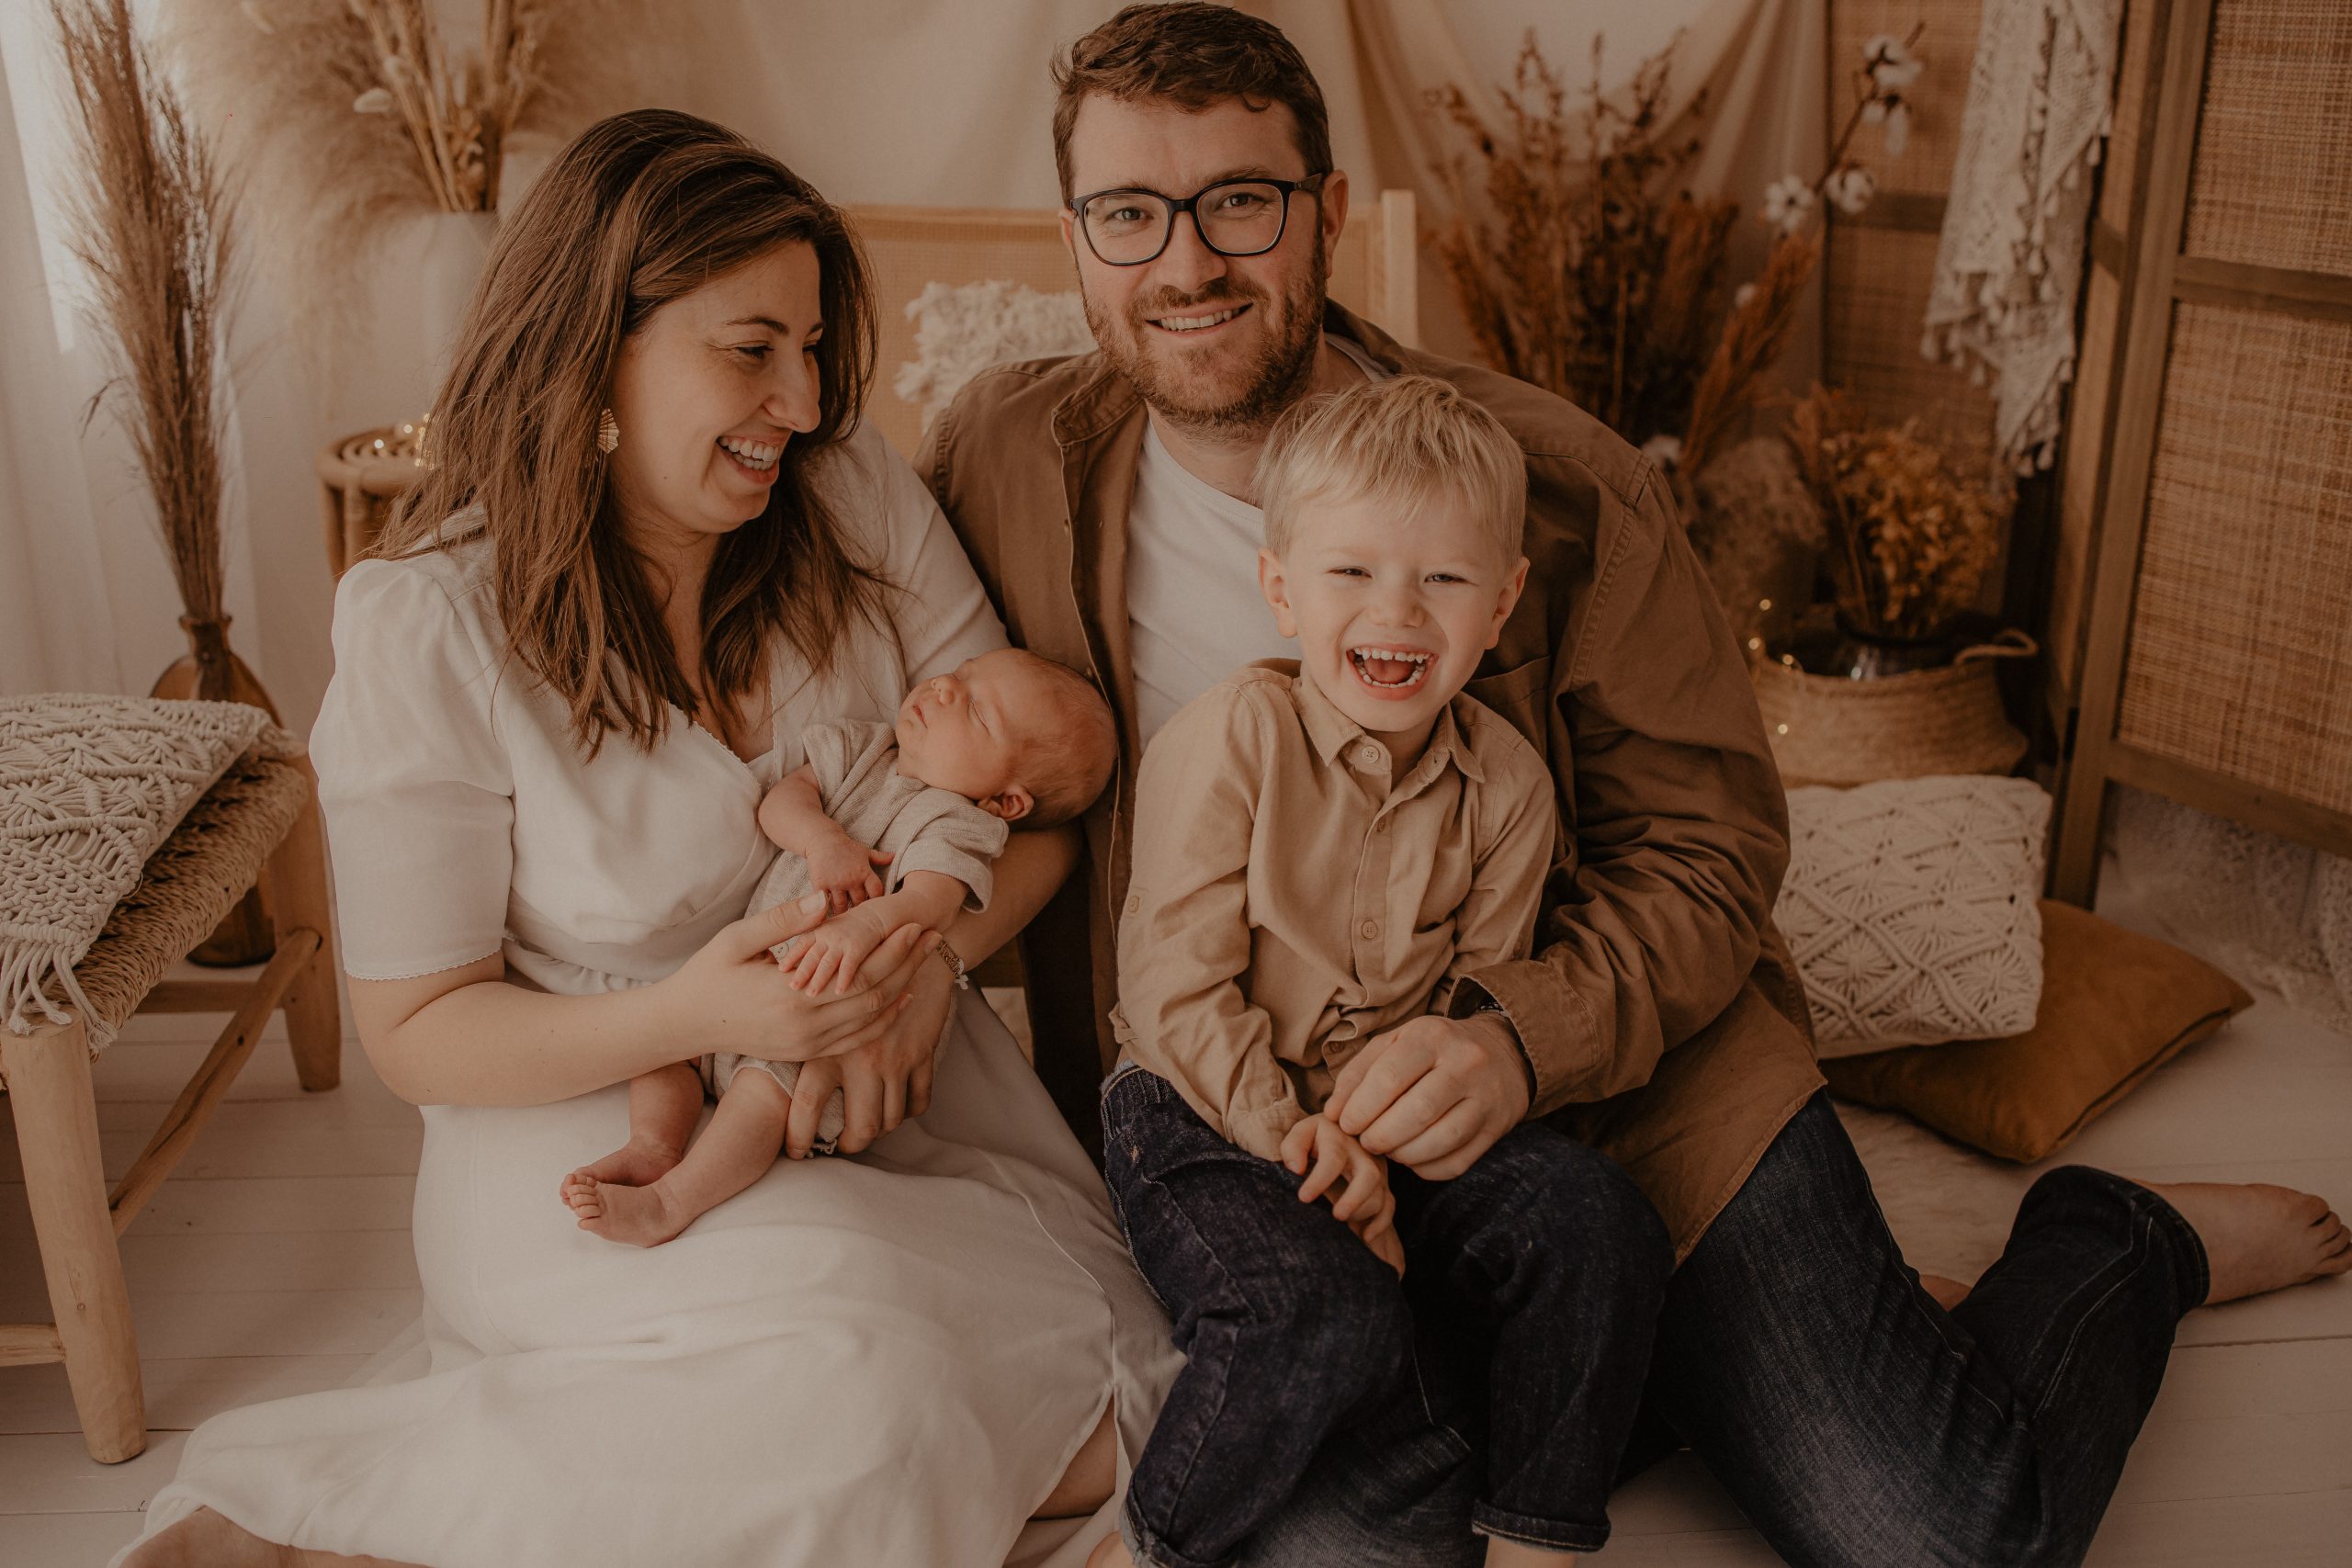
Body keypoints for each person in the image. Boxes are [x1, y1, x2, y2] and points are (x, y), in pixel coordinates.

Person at [928, 7, 2352, 1566]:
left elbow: (1710, 848)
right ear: (1075, 240)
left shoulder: (1553, 484)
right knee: (1348, 1544)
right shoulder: (1000, 454)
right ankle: (1704, 1360)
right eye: (1129, 213)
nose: (1186, 260)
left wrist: (1512, 1042)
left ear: (1326, 212)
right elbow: (847, 704)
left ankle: (2117, 1240)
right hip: (1275, 1136)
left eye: (1239, 202)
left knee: (1941, 1534)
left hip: (1623, 1077)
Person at [118, 109, 1176, 1568]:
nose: (802, 400)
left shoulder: (850, 494)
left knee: (1117, 1413)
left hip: (895, 1082)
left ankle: (477, 1517)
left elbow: (1031, 823)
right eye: (751, 349)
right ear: (594, 355)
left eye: (813, 347)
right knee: (877, 1387)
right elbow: (418, 1031)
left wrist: (920, 966)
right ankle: (320, 1521)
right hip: (589, 1109)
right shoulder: (430, 621)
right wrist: (702, 1013)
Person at [1096, 375, 1671, 1568]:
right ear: (1281, 588)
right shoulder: (1233, 738)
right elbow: (1173, 991)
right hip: (1200, 1108)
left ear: (1501, 601)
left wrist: (1384, 1147)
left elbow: (1465, 1014)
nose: (1396, 611)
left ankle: (1533, 1541)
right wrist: (1302, 1140)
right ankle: (1144, 1549)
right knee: (1320, 1310)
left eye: (1445, 579)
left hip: (1383, 1128)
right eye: (1351, 571)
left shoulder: (1508, 787)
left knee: (1599, 1218)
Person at [563, 647, 1117, 1246]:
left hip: (827, 1021)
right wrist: (820, 837)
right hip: (745, 989)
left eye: (978, 711)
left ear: (1006, 803)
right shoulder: (863, 746)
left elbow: (928, 901)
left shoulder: (959, 824)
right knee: (666, 1049)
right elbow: (782, 801)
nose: (944, 689)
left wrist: (863, 926)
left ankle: (671, 1202)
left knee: (762, 1096)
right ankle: (652, 1146)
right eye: (960, 675)